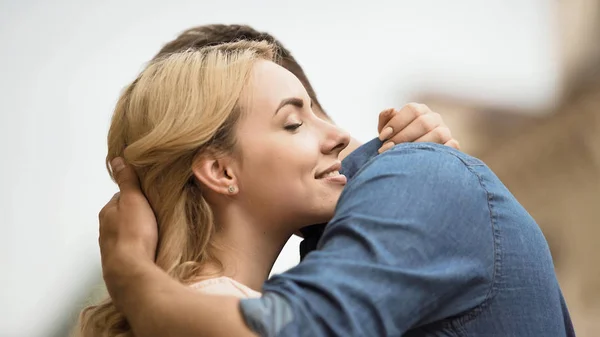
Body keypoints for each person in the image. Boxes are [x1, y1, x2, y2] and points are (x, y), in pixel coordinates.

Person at [94, 41, 575, 336]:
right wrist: (128, 272)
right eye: (293, 122)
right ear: (220, 172)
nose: (341, 135)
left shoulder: (219, 304)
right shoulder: (223, 310)